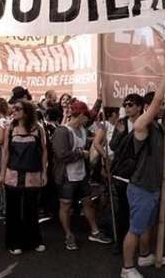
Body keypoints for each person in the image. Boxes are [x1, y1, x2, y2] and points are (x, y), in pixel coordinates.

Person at [120, 66, 165, 278]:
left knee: (148, 225)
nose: (157, 108)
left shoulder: (160, 128)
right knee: (135, 228)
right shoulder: (141, 125)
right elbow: (158, 102)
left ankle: (144, 256)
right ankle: (127, 268)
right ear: (147, 107)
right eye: (153, 106)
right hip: (140, 187)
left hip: (153, 186)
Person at [52, 100, 112, 250]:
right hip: (66, 176)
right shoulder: (62, 131)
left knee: (87, 202)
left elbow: (86, 137)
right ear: (80, 115)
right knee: (65, 205)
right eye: (86, 116)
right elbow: (60, 154)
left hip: (81, 174)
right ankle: (68, 235)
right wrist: (81, 154)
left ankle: (95, 231)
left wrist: (99, 101)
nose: (88, 119)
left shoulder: (82, 129)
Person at [1, 99, 48, 255]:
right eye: (13, 108)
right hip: (13, 174)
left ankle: (33, 240)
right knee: (13, 210)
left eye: (18, 109)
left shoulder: (38, 128)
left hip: (33, 175)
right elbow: (5, 152)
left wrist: (44, 172)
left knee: (32, 210)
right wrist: (1, 175)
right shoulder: (10, 128)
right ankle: (14, 242)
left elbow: (44, 151)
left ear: (27, 111)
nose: (14, 111)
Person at [109, 93, 146, 247]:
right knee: (122, 210)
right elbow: (113, 146)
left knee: (138, 209)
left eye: (130, 104)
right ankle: (120, 242)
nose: (127, 108)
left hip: (141, 172)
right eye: (125, 105)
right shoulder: (121, 122)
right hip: (123, 173)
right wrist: (120, 133)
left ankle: (138, 242)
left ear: (139, 107)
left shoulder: (146, 122)